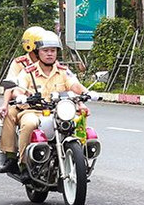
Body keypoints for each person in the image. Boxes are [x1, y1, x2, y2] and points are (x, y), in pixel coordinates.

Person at [11, 31, 89, 181]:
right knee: (29, 124)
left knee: (78, 121)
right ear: (37, 52)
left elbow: (75, 85)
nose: (49, 54)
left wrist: (88, 92)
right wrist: (20, 96)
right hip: (34, 111)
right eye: (45, 51)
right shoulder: (29, 72)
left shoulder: (63, 71)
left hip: (58, 111)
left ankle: (81, 160)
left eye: (52, 51)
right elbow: (18, 89)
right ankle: (24, 164)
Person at [0, 26, 46, 174]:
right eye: (41, 46)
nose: (46, 51)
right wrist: (5, 104)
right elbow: (10, 85)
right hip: (24, 102)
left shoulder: (51, 62)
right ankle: (12, 157)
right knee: (9, 114)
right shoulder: (19, 63)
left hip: (48, 103)